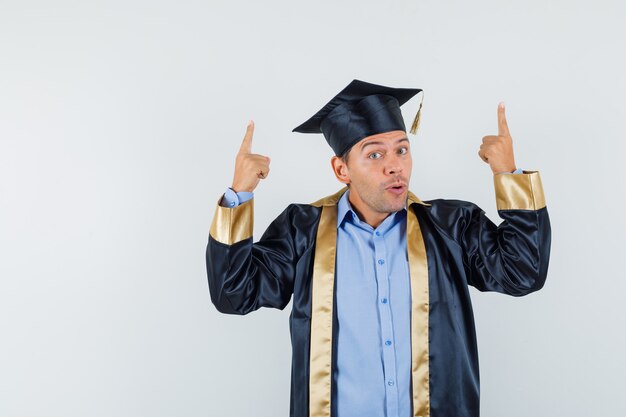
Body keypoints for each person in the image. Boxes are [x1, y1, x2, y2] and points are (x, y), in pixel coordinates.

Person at [206, 79, 551, 417]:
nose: (394, 165)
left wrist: (507, 171)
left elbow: (523, 272)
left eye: (402, 149)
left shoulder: (451, 225)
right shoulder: (303, 230)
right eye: (374, 154)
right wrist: (240, 193)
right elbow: (233, 293)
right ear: (342, 169)